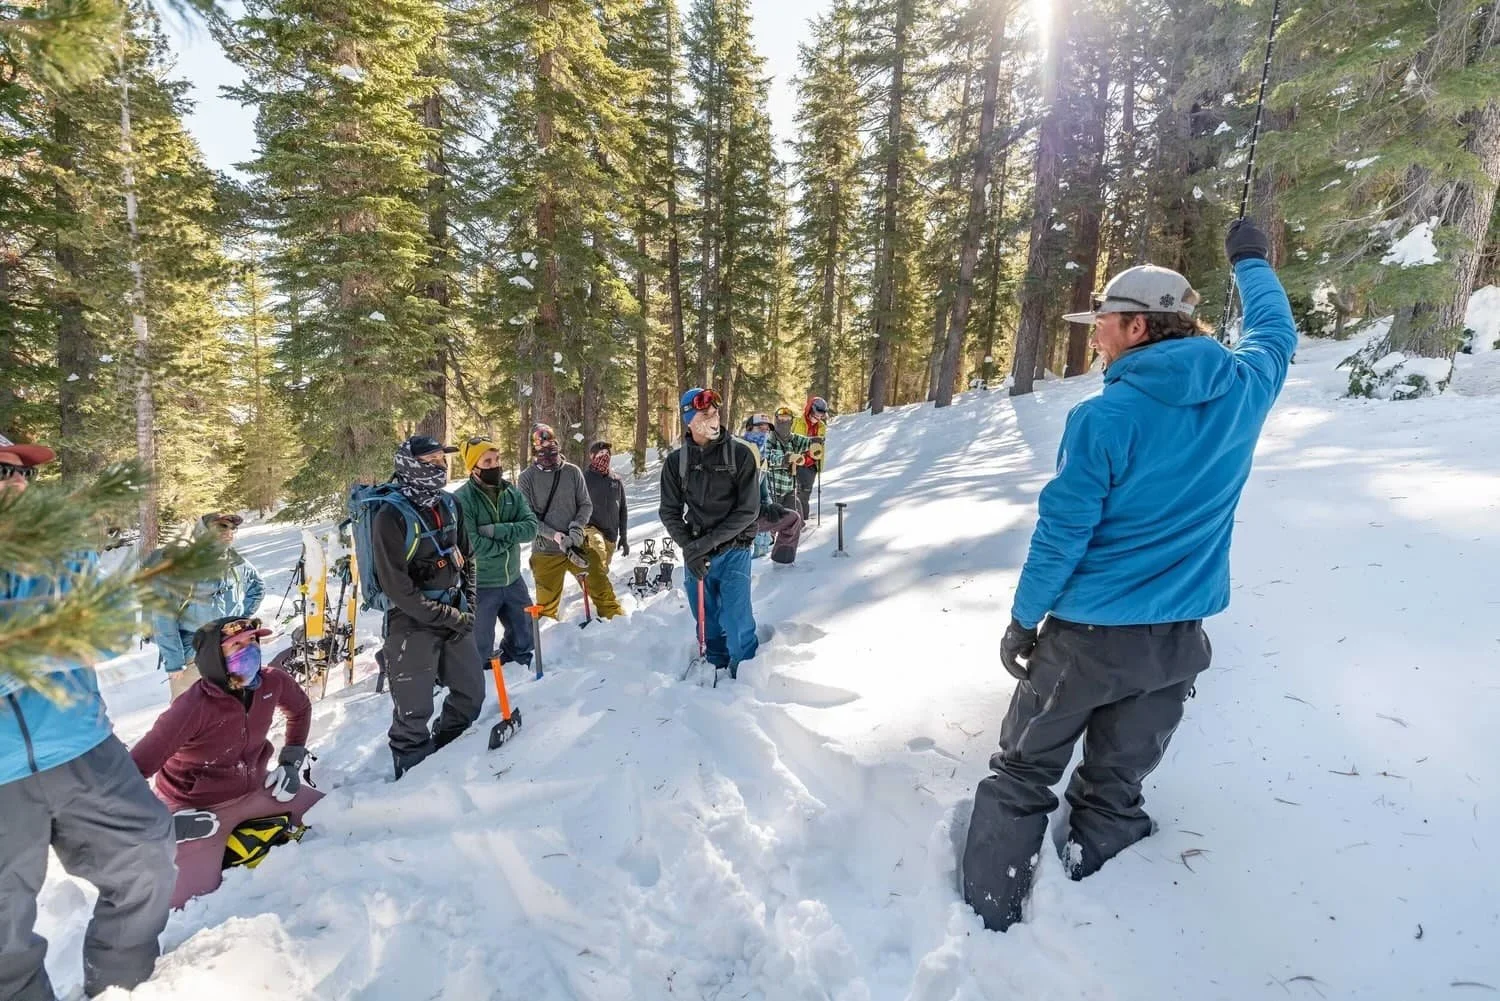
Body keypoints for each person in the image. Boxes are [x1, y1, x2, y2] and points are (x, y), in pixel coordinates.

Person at [961, 219, 1296, 932]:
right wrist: (1251, 261)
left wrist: (1025, 620)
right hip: (1173, 647)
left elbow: (1060, 537)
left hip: (1085, 641)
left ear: (1140, 327)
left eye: (1107, 324)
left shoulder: (1104, 418)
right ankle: (1097, 906)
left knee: (1023, 772)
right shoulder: (1242, 390)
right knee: (1115, 787)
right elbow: (1276, 333)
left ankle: (987, 922)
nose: (1098, 336)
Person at [0, 433, 177, 1001]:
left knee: (147, 857)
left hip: (82, 746)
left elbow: (107, 633)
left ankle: (121, 988)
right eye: (0, 473)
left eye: (20, 473)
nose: (16, 483)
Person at [129, 615, 321, 908]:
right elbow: (129, 773)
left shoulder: (272, 681)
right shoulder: (192, 707)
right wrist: (164, 823)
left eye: (253, 641)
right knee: (181, 905)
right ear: (214, 658)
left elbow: (300, 709)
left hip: (255, 789)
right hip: (197, 812)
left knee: (332, 818)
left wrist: (291, 762)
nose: (250, 650)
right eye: (236, 645)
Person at [370, 435, 485, 779]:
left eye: (442, 459)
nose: (440, 466)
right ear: (410, 465)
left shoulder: (450, 504)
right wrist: (448, 616)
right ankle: (411, 778)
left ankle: (447, 757)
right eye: (431, 461)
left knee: (471, 695)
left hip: (454, 613)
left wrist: (470, 606)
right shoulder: (389, 517)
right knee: (413, 713)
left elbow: (469, 559)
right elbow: (398, 588)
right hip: (410, 624)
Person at [659, 388, 763, 679]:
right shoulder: (676, 463)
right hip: (697, 551)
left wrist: (704, 545)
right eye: (705, 414)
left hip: (734, 549)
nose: (714, 418)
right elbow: (669, 511)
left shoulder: (740, 454)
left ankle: (746, 670)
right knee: (706, 619)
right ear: (689, 420)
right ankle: (715, 662)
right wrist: (690, 547)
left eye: (715, 413)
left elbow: (748, 511)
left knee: (736, 616)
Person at [148, 512, 264, 701]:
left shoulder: (236, 562)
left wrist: (238, 621)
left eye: (231, 528)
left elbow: (257, 588)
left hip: (229, 648)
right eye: (221, 527)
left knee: (230, 704)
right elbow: (163, 617)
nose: (229, 532)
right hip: (194, 652)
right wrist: (175, 662)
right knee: (188, 711)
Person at [518, 424, 622, 621]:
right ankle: (548, 647)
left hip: (578, 545)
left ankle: (621, 629)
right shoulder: (526, 478)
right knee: (545, 608)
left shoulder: (572, 472)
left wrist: (575, 530)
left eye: (551, 446)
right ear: (535, 450)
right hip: (546, 550)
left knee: (603, 591)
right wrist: (555, 536)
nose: (548, 452)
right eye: (542, 448)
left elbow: (585, 505)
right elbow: (528, 517)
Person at [454, 435, 538, 670]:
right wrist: (511, 539)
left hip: (513, 579)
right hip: (481, 583)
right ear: (474, 468)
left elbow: (531, 528)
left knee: (524, 636)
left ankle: (517, 666)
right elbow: (474, 546)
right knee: (479, 645)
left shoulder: (511, 493)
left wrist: (496, 530)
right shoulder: (462, 499)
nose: (495, 466)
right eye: (487, 462)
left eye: (497, 459)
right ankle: (485, 683)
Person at [743, 428, 804, 565]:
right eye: (759, 427)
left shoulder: (762, 462)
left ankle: (781, 562)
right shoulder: (736, 458)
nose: (763, 431)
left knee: (793, 518)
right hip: (736, 519)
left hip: (756, 515)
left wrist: (770, 508)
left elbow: (764, 494)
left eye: (766, 428)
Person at [583, 441, 630, 569]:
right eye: (601, 453)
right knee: (599, 553)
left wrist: (623, 536)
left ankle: (589, 583)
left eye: (607, 453)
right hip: (590, 528)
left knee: (603, 568)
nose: (605, 456)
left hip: (611, 534)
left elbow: (623, 509)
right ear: (592, 456)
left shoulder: (615, 480)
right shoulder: (584, 478)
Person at [790, 396, 830, 520]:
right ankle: (790, 521)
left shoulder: (821, 427)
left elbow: (820, 447)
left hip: (810, 465)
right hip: (795, 462)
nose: (817, 419)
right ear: (809, 410)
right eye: (815, 415)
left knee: (804, 495)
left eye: (820, 416)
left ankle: (803, 521)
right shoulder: (796, 421)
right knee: (791, 494)